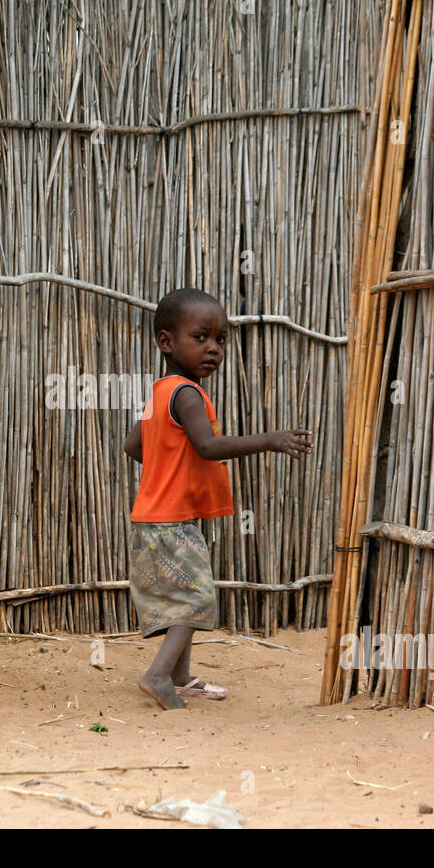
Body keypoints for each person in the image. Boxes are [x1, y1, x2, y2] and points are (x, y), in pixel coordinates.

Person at [122, 288, 313, 709]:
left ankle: (181, 676)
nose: (213, 348)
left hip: (153, 515)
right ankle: (158, 675)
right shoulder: (189, 395)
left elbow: (134, 446)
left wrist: (169, 468)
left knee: (179, 599)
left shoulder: (161, 391)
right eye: (200, 337)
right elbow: (208, 447)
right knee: (195, 597)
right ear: (166, 342)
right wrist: (271, 439)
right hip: (171, 520)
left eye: (221, 339)